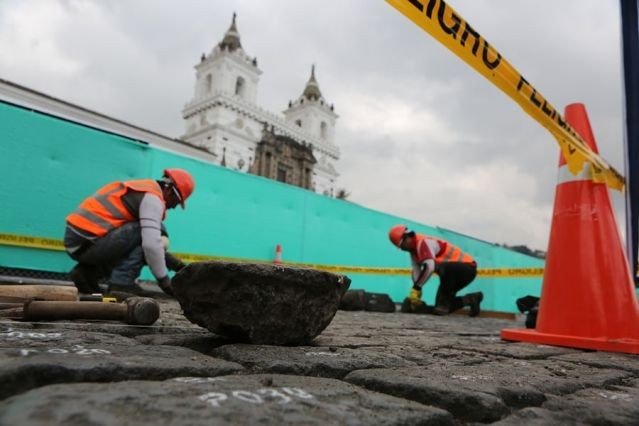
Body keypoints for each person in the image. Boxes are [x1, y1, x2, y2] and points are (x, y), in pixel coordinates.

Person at [63, 168, 195, 296]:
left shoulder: (143, 190)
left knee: (142, 238)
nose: (173, 207)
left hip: (81, 242)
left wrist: (179, 267)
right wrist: (165, 282)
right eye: (176, 202)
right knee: (149, 234)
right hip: (88, 242)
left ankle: (86, 274)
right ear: (169, 190)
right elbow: (151, 245)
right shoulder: (152, 198)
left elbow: (146, 247)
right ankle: (122, 283)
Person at [388, 224, 483, 316]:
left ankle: (444, 305)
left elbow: (429, 266)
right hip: (452, 274)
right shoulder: (413, 251)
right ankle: (471, 299)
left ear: (407, 237)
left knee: (445, 268)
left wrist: (417, 288)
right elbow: (416, 269)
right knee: (439, 309)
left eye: (402, 245)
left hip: (466, 269)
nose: (403, 249)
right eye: (400, 248)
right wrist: (415, 292)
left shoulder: (423, 243)